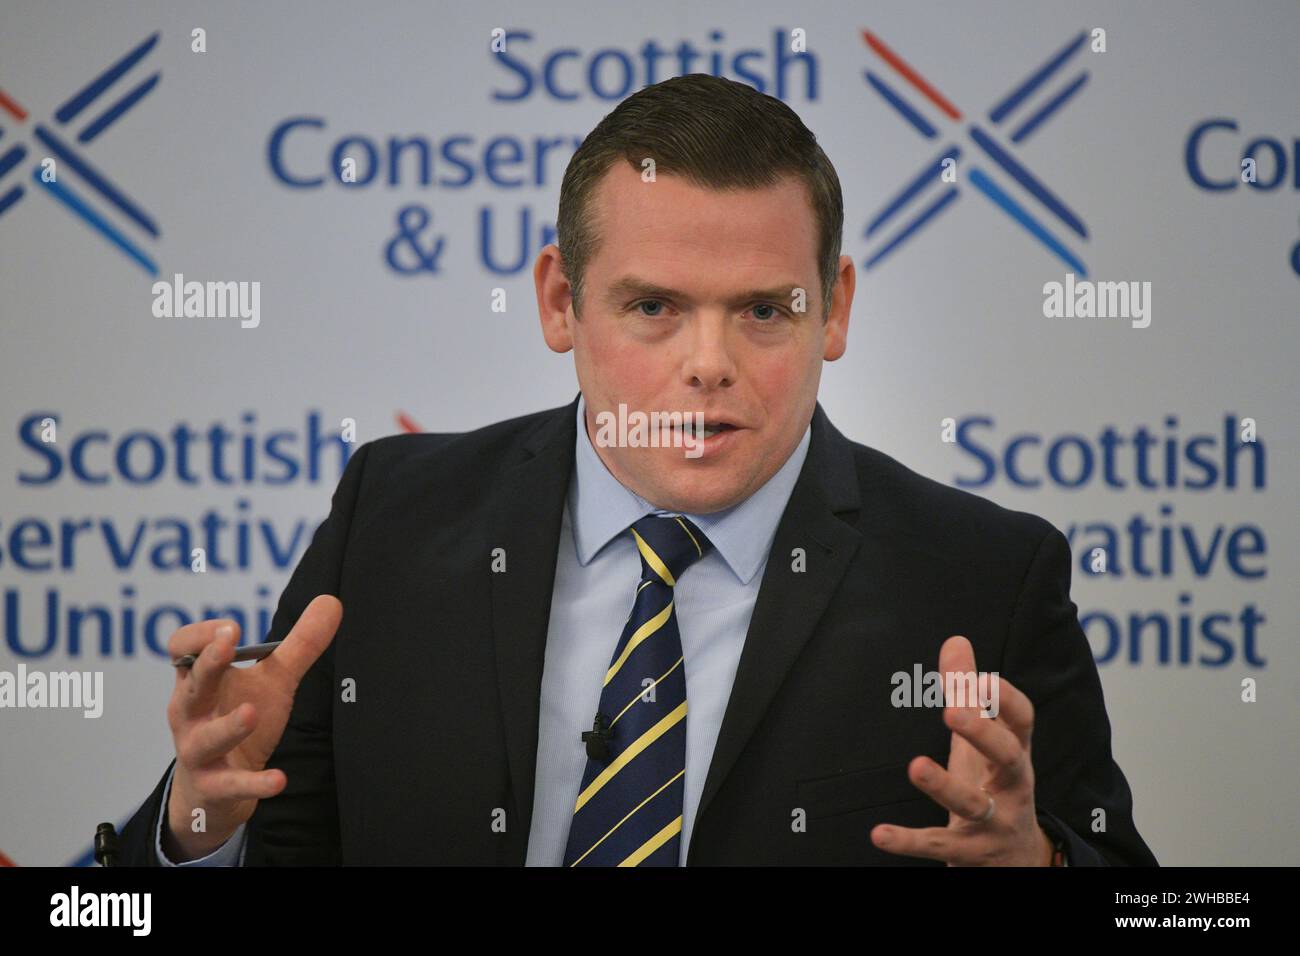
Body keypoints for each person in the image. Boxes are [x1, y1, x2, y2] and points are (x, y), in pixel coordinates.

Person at [118, 73, 1156, 866]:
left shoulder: (983, 576)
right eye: (653, 307)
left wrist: (1038, 861)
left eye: (763, 310)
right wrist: (195, 825)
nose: (709, 363)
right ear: (560, 301)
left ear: (833, 308)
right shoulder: (390, 519)